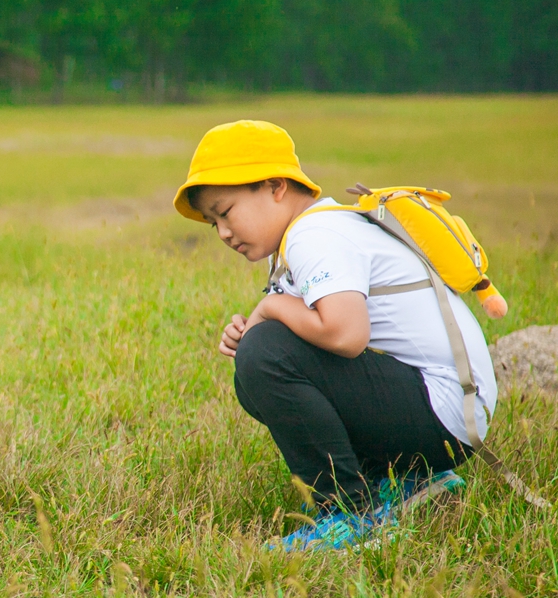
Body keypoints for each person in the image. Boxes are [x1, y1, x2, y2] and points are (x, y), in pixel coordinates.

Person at [173, 120, 497, 551]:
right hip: (452, 410)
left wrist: (268, 312)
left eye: (226, 212)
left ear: (275, 187)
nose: (224, 233)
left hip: (442, 410)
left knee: (263, 356)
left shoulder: (315, 235)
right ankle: (409, 481)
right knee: (256, 365)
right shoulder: (317, 228)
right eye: (213, 223)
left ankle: (346, 512)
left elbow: (346, 336)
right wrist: (258, 334)